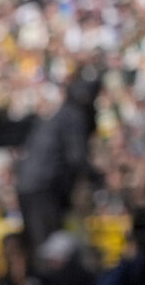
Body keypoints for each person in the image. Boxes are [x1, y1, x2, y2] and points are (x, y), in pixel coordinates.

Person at [16, 70, 100, 248]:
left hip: (27, 185)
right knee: (49, 248)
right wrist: (98, 177)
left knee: (38, 244)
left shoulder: (58, 116)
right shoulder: (74, 116)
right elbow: (76, 158)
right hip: (44, 188)